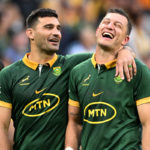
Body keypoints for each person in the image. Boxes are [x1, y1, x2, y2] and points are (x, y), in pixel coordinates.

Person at [0, 8, 135, 150]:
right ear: (30, 33)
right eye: (48, 27)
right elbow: (2, 127)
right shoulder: (8, 75)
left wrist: (125, 51)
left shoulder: (73, 64)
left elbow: (110, 52)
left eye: (58, 28)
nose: (56, 33)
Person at [65, 8, 150, 150]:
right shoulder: (78, 72)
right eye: (106, 22)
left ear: (126, 40)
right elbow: (75, 123)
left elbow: (148, 123)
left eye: (118, 25)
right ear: (98, 30)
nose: (110, 26)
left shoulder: (137, 70)